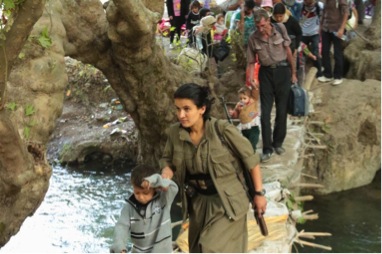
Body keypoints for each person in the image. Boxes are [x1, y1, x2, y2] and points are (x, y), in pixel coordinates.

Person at [159, 83, 267, 252]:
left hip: (226, 201)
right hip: (198, 202)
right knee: (197, 249)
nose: (181, 115)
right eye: (178, 109)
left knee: (211, 247)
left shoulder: (222, 131)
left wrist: (259, 194)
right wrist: (167, 170)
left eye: (187, 109)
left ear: (202, 109)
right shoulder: (175, 133)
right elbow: (168, 159)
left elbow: (251, 161)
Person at [247, 8, 297, 162]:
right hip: (266, 74)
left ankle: (278, 143)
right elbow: (250, 61)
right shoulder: (253, 38)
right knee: (265, 113)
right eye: (257, 26)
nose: (260, 29)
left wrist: (293, 73)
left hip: (283, 72)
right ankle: (267, 148)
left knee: (282, 111)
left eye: (262, 25)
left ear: (268, 21)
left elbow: (289, 52)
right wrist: (250, 80)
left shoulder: (280, 29)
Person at [110, 164, 179, 253]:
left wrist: (155, 181)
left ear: (154, 188)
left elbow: (174, 188)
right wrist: (120, 247)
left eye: (145, 193)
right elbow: (121, 227)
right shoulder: (129, 207)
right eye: (137, 192)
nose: (141, 197)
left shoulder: (164, 199)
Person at [317, 0, 349, 86]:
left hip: (337, 29)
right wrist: (320, 27)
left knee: (337, 53)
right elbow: (324, 12)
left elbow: (346, 12)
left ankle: (338, 76)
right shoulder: (325, 2)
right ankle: (327, 75)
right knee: (325, 52)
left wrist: (342, 28)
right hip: (326, 28)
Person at [229, 86, 261, 151]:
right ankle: (248, 153)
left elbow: (255, 93)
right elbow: (236, 115)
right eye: (240, 98)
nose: (242, 100)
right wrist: (233, 113)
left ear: (249, 97)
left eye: (244, 98)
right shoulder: (239, 105)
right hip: (244, 127)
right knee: (246, 142)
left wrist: (254, 87)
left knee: (252, 144)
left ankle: (252, 155)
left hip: (253, 127)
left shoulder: (253, 101)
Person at [300, 0, 324, 78]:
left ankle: (319, 72)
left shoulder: (319, 5)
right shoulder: (300, 6)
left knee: (315, 52)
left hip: (314, 33)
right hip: (303, 33)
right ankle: (302, 72)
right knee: (302, 52)